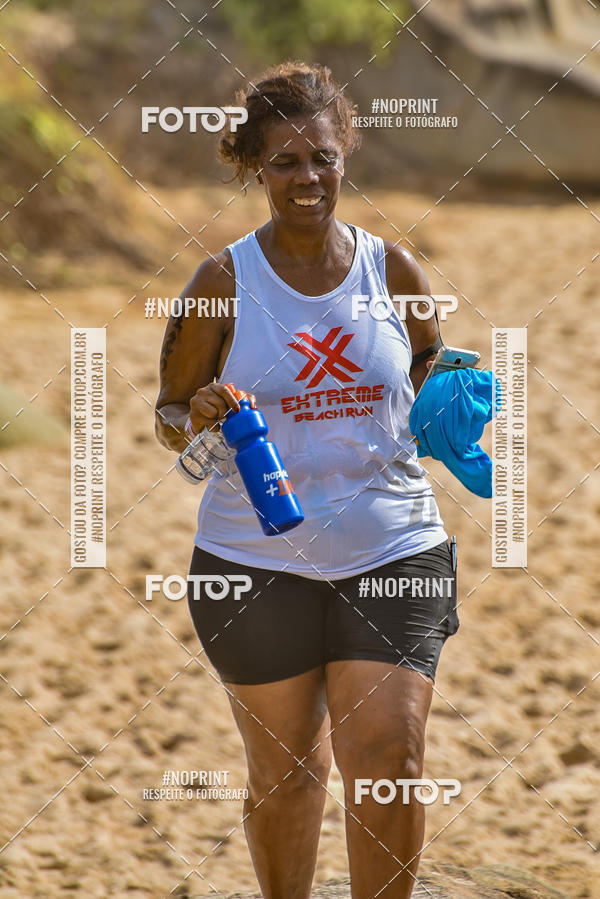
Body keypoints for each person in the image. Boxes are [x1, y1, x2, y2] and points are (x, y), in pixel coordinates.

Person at [155, 61, 459, 899]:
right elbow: (169, 412)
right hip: (254, 563)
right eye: (285, 162)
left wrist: (457, 400)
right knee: (288, 778)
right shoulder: (221, 284)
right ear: (256, 168)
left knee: (390, 758)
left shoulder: (393, 270)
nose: (307, 177)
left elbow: (434, 368)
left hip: (394, 545)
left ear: (345, 154)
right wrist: (201, 416)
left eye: (321, 157)